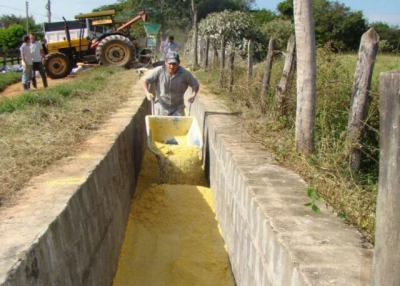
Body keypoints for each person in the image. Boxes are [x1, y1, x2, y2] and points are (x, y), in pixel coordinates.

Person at [142, 51, 199, 116]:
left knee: (178, 125)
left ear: (179, 63)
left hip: (177, 107)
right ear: (166, 62)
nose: (172, 66)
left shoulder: (185, 74)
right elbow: (145, 81)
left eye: (174, 64)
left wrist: (193, 95)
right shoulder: (158, 71)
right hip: (161, 106)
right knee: (160, 125)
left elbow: (195, 84)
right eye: (170, 64)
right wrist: (147, 93)